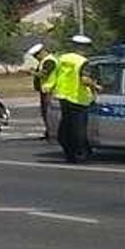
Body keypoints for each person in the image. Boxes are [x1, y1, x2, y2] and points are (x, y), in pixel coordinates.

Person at [53, 34, 97, 163]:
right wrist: (96, 86)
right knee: (79, 129)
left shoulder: (62, 58)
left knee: (66, 127)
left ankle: (69, 153)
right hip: (79, 98)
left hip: (64, 96)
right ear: (84, 47)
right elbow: (84, 79)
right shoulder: (83, 61)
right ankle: (81, 154)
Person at [27, 43, 57, 140]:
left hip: (50, 91)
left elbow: (44, 75)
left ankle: (51, 133)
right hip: (45, 91)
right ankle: (48, 131)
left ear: (43, 52)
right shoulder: (44, 61)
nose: (36, 57)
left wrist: (33, 73)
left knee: (48, 113)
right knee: (45, 113)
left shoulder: (50, 61)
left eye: (37, 55)